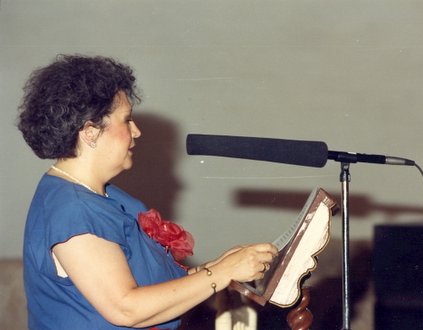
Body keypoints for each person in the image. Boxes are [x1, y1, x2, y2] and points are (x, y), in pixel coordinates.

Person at [17, 54, 278, 329]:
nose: (137, 131)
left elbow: (156, 287)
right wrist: (221, 272)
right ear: (91, 132)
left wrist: (222, 264)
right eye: (126, 120)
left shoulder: (108, 196)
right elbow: (126, 308)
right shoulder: (71, 208)